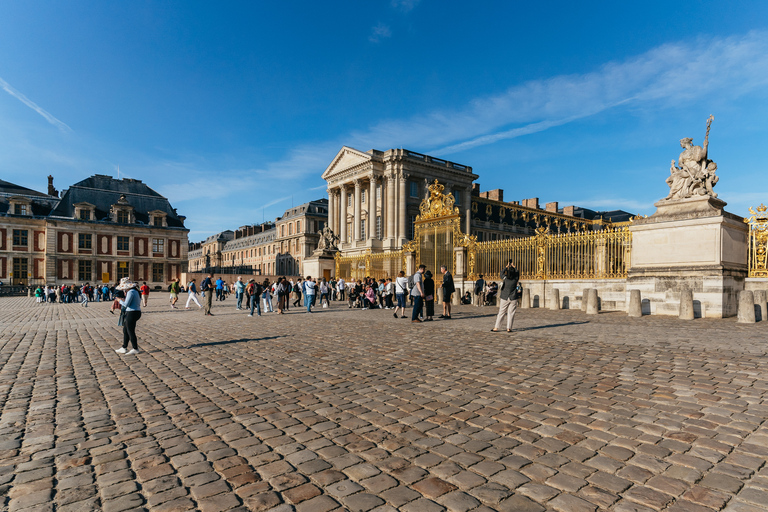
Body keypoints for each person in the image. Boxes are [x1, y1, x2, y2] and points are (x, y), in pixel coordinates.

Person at [492, 260, 521, 333]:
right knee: (511, 313)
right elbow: (517, 274)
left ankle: (496, 327)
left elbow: (501, 273)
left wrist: (506, 267)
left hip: (504, 297)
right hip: (513, 297)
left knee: (501, 312)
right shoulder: (515, 279)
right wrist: (515, 268)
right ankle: (509, 328)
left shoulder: (505, 279)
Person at [115, 277, 142, 355]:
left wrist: (119, 300)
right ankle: (124, 347)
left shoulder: (131, 292)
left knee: (130, 331)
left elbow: (126, 304)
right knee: (125, 330)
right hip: (135, 312)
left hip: (131, 313)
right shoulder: (135, 291)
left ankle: (135, 348)